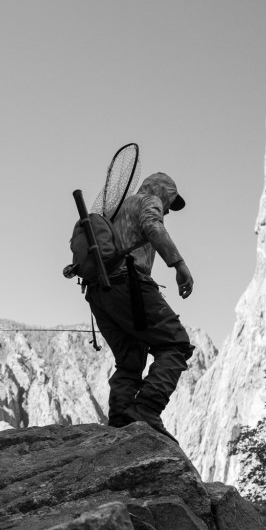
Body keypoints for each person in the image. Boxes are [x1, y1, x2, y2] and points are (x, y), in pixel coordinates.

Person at [85, 172, 195, 443]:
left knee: (130, 358)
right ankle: (146, 408)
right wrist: (179, 265)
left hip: (99, 292)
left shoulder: (113, 209)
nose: (167, 209)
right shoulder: (148, 201)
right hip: (129, 285)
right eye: (169, 201)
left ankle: (121, 421)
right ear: (162, 192)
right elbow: (154, 227)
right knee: (176, 344)